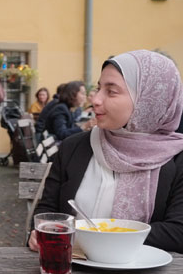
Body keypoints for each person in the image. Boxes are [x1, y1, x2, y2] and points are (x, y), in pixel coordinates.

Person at [29, 50, 183, 254]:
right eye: (99, 88)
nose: (96, 100)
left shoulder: (177, 157)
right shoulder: (73, 147)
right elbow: (47, 211)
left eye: (111, 91)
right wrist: (40, 230)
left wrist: (97, 236)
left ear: (148, 101)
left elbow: (177, 233)